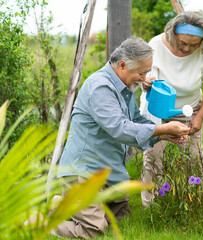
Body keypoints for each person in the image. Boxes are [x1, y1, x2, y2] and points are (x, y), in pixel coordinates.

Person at [54, 36, 190, 239]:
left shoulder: (123, 88)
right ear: (122, 65)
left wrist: (164, 133)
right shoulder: (100, 87)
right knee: (94, 231)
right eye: (141, 72)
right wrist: (162, 130)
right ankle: (37, 222)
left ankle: (60, 205)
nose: (145, 79)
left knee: (123, 223)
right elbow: (120, 128)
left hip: (108, 172)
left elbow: (135, 119)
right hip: (83, 172)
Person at [140, 11, 203, 207]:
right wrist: (146, 83)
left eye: (194, 45)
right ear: (172, 34)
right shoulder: (156, 46)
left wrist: (200, 117)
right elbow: (145, 79)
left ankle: (199, 204)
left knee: (195, 159)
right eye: (183, 43)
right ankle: (152, 207)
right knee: (154, 157)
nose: (187, 48)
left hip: (189, 110)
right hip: (158, 110)